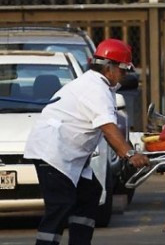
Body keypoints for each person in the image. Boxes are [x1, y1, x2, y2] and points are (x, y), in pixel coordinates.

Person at [24, 39, 150, 245]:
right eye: (123, 70)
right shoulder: (96, 89)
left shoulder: (96, 85)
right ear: (109, 67)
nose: (125, 75)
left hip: (68, 155)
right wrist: (129, 154)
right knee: (60, 206)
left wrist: (126, 152)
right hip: (53, 153)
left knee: (89, 194)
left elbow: (108, 131)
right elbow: (108, 128)